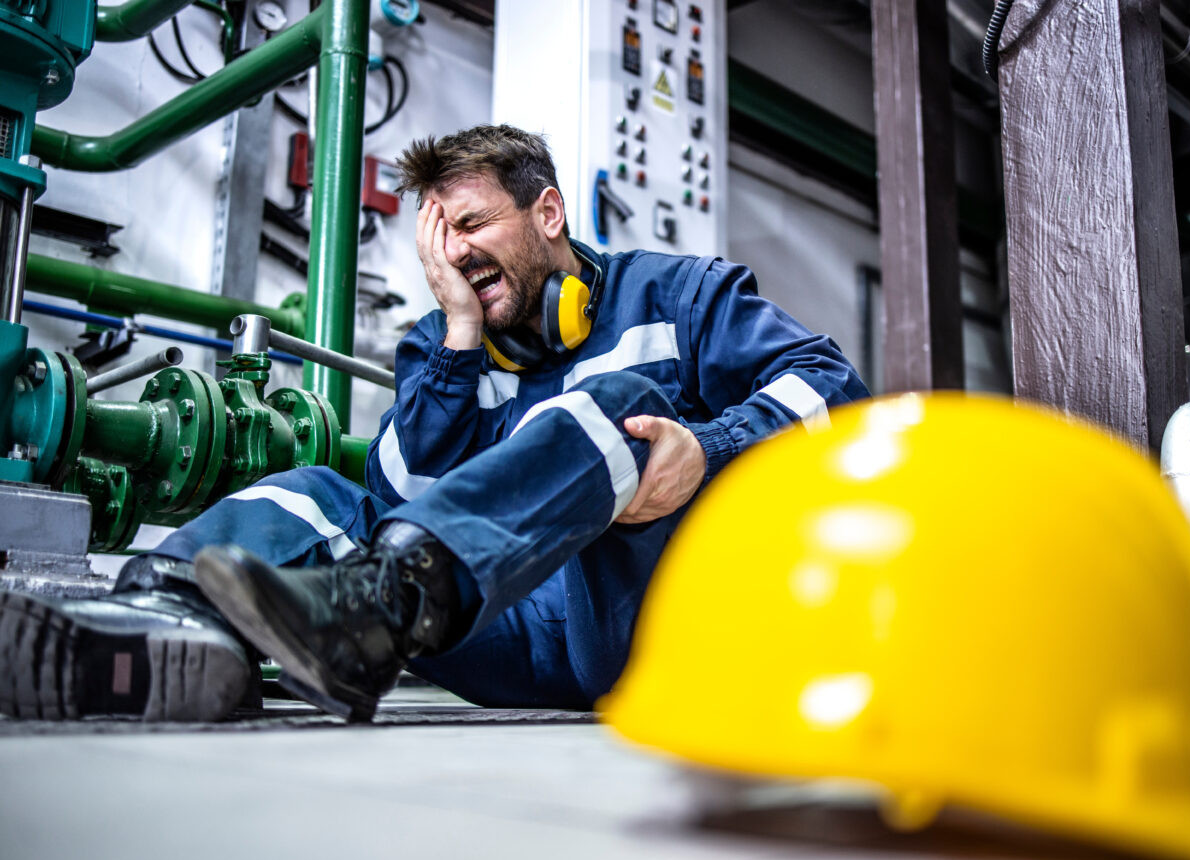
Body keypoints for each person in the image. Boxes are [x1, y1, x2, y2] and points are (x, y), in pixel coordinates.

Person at [0, 124, 869, 723]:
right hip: (497, 630)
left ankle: (376, 612)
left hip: (646, 622)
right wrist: (458, 337)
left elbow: (837, 390)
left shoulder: (678, 297)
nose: (455, 252)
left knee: (615, 408)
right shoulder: (446, 348)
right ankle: (153, 626)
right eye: (439, 238)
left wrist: (708, 448)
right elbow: (393, 500)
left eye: (473, 223)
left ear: (548, 214)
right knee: (320, 494)